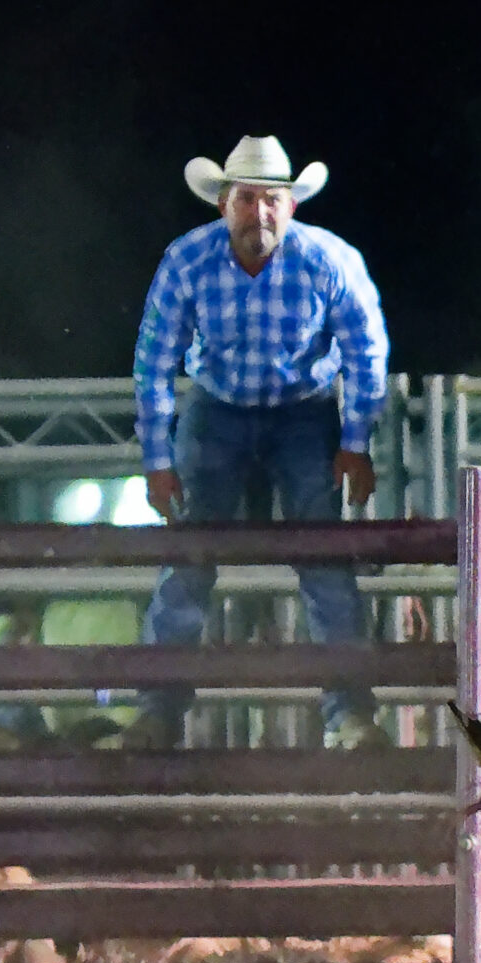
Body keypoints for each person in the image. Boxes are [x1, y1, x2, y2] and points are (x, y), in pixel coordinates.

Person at [130, 136, 390, 752]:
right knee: (189, 557)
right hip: (219, 408)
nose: (261, 213)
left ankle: (348, 715)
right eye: (248, 199)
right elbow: (153, 360)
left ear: (291, 207)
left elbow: (366, 350)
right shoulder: (188, 260)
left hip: (301, 410)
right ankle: (159, 709)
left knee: (322, 562)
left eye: (273, 199)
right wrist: (158, 460)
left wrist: (354, 441)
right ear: (225, 204)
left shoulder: (327, 260)